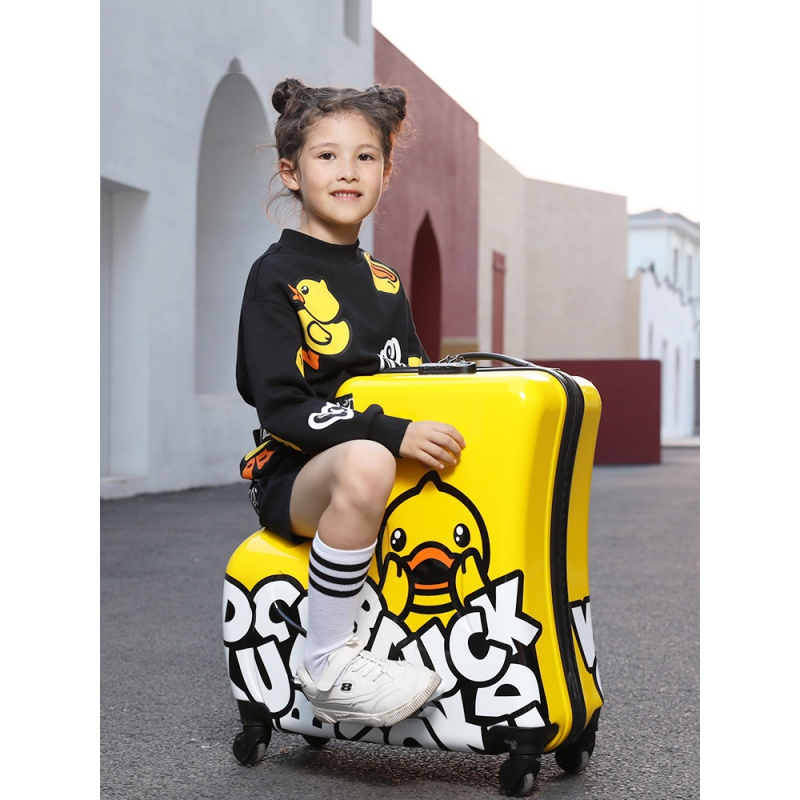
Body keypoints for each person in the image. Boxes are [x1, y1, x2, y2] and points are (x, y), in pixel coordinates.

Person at [235, 77, 466, 728]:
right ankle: (326, 661)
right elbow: (280, 407)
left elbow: (412, 378)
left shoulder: (386, 281)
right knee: (369, 458)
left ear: (386, 174)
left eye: (366, 156)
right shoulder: (275, 276)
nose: (347, 170)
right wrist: (388, 434)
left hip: (373, 465)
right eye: (327, 155)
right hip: (297, 475)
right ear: (291, 171)